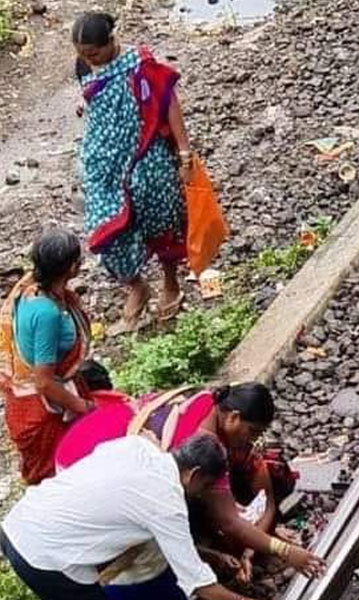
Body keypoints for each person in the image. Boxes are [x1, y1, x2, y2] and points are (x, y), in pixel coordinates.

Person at [55, 383, 326, 585]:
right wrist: (287, 552)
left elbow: (259, 482)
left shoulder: (209, 398)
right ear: (233, 418)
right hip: (85, 462)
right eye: (252, 432)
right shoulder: (205, 445)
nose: (252, 441)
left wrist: (263, 536)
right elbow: (229, 522)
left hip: (89, 440)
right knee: (150, 554)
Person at [1, 434, 260, 600]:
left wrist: (211, 556)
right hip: (45, 558)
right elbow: (202, 587)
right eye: (204, 487)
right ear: (193, 475)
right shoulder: (167, 502)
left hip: (21, 519)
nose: (200, 495)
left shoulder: (137, 445)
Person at [73, 11, 191, 333]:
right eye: (82, 54)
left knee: (161, 216)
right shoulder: (83, 66)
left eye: (94, 53)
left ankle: (171, 282)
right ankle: (136, 285)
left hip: (145, 154)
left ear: (111, 42)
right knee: (103, 230)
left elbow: (168, 104)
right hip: (104, 163)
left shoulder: (140, 66)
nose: (88, 60)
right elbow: (94, 98)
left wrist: (184, 155)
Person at [0, 228, 93, 484]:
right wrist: (81, 407)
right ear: (72, 267)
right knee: (56, 477)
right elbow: (44, 382)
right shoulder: (46, 314)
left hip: (50, 389)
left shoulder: (31, 287)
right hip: (43, 410)